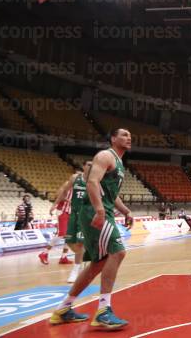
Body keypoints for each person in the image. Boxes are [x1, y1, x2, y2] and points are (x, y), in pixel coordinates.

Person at [49, 128, 134, 329]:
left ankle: (63, 309)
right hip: (96, 212)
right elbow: (92, 182)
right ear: (113, 138)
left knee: (97, 263)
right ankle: (104, 312)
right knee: (118, 252)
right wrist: (99, 210)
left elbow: (111, 194)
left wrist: (126, 211)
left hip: (104, 210)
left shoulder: (119, 163)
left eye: (130, 136)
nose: (128, 138)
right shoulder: (106, 155)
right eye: (124, 135)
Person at [39, 177, 75, 265]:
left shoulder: (81, 186)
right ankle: (44, 253)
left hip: (72, 212)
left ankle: (64, 257)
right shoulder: (67, 184)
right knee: (62, 233)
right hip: (62, 211)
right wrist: (55, 205)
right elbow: (59, 195)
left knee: (69, 236)